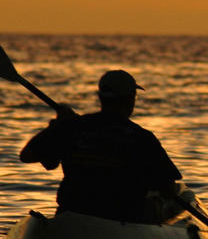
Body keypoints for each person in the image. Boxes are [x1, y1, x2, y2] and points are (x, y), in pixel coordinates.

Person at [20, 69, 182, 223]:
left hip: (71, 216)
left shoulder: (72, 128)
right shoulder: (142, 138)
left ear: (101, 97)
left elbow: (27, 155)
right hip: (121, 222)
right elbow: (168, 189)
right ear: (130, 99)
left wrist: (57, 127)